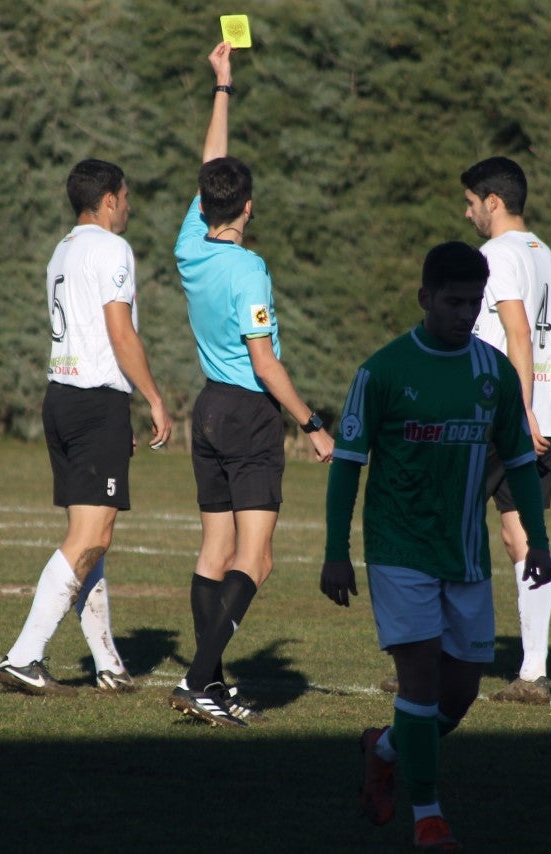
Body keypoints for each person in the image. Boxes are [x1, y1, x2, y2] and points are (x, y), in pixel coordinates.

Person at [320, 241, 551, 850]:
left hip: (467, 556)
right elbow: (347, 464)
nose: (464, 314)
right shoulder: (384, 371)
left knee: (462, 689)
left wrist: (540, 541)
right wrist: (335, 550)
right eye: (453, 302)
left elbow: (523, 463)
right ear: (424, 298)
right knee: (419, 680)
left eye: (474, 304)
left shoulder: (492, 372)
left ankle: (385, 748)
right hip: (400, 552)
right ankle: (428, 816)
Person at [169, 41, 334, 728]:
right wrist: (311, 422)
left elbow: (212, 167)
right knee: (256, 560)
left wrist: (222, 87)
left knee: (215, 553)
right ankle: (200, 677)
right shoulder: (250, 270)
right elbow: (266, 363)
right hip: (249, 414)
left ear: (208, 205)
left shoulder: (189, 241)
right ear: (249, 207)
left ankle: (212, 684)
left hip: (205, 409)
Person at [0, 159, 171, 697]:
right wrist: (155, 399)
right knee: (91, 536)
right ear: (110, 199)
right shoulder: (111, 248)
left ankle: (108, 664)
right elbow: (120, 332)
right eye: (126, 195)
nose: (129, 205)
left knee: (89, 537)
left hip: (64, 398)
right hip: (94, 401)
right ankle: (24, 655)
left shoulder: (62, 249)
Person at [461, 156, 551, 704]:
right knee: (520, 535)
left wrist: (518, 411)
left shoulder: (495, 254)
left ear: (492, 202)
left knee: (450, 526)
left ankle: (435, 660)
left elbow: (518, 333)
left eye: (472, 202)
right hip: (538, 413)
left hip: (502, 416)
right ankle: (532, 672)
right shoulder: (541, 253)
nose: (468, 212)